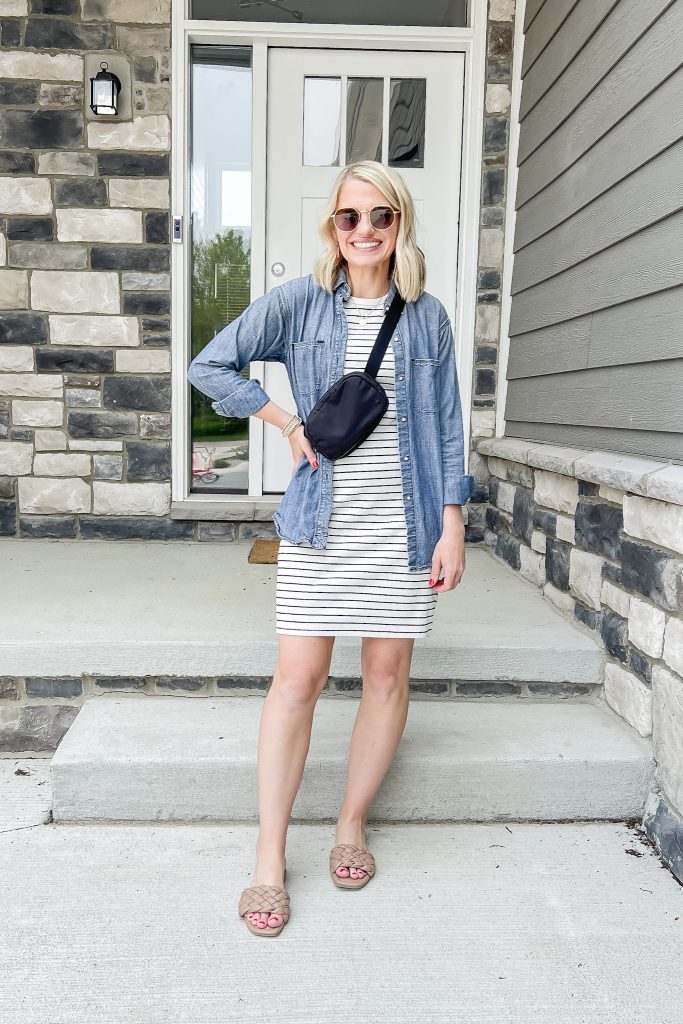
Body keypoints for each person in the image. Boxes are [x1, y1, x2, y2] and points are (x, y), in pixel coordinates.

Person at [187, 160, 475, 937]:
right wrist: (282, 422)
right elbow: (207, 365)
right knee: (297, 680)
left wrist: (452, 524)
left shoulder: (428, 318)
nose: (365, 233)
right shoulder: (300, 305)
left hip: (403, 524)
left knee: (385, 672)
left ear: (400, 223)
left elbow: (448, 427)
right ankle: (269, 860)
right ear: (332, 227)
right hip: (322, 523)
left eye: (380, 217)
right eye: (350, 218)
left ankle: (350, 824)